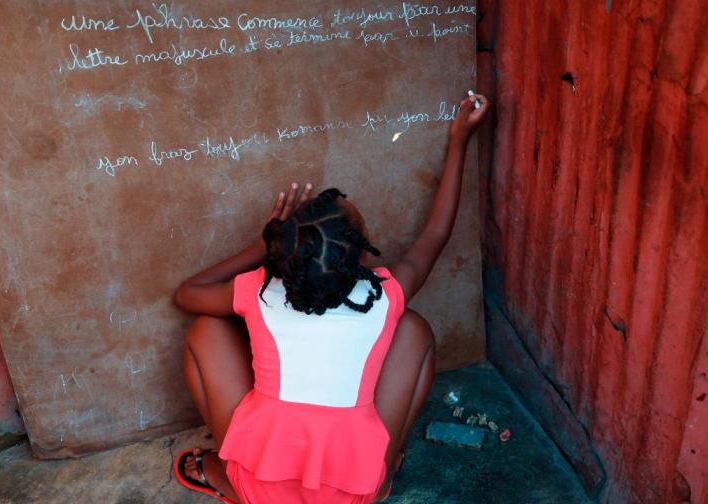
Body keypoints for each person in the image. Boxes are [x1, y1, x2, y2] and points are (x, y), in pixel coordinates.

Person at [171, 92, 489, 503]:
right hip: (355, 494)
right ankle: (385, 467)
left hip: (262, 493)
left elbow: (187, 294)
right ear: (362, 253)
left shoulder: (260, 289)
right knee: (413, 328)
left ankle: (226, 476)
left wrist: (264, 244)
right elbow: (435, 235)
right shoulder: (386, 293)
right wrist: (459, 141)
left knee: (204, 329)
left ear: (284, 254)